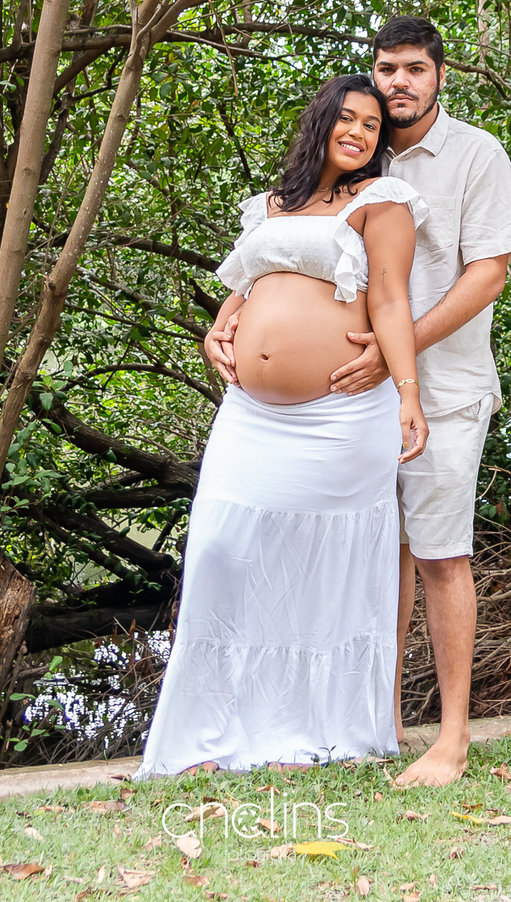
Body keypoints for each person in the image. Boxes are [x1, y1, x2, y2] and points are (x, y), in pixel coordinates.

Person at [139, 75, 429, 776]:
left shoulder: (380, 202)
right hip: (250, 416)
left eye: (371, 125)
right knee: (218, 550)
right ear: (322, 122)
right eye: (347, 119)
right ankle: (213, 734)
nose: (359, 133)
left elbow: (390, 301)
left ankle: (317, 731)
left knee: (321, 567)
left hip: (339, 418)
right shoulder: (271, 207)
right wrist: (215, 334)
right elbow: (245, 288)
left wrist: (407, 390)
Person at [329, 15, 511, 787]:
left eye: (414, 68)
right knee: (381, 560)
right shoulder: (355, 154)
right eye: (386, 68)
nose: (399, 81)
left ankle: (451, 739)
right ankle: (381, 724)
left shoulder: (477, 155)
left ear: (441, 74)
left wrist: (397, 348)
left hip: (444, 393)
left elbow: (488, 276)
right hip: (354, 392)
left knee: (442, 557)